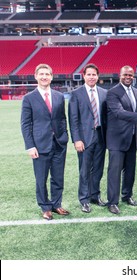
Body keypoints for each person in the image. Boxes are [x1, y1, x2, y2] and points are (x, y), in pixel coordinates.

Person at [21, 64, 70, 220]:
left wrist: (65, 136)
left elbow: (62, 119)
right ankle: (45, 207)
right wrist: (30, 146)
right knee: (41, 178)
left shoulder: (59, 96)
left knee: (58, 177)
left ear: (51, 76)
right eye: (41, 74)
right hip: (40, 145)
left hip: (59, 144)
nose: (44, 77)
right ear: (36, 76)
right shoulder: (29, 98)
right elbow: (26, 124)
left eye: (47, 74)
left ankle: (56, 204)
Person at [105, 65, 137, 214]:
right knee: (115, 171)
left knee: (130, 170)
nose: (128, 77)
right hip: (117, 139)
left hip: (132, 138)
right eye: (125, 74)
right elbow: (119, 113)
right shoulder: (112, 93)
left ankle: (127, 195)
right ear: (120, 75)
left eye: (131, 75)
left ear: (134, 77)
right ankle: (112, 202)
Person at [68, 63, 107, 213]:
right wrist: (77, 139)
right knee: (84, 170)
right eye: (89, 74)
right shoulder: (76, 94)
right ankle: (84, 199)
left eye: (94, 74)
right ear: (84, 76)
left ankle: (95, 196)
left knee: (98, 169)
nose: (91, 77)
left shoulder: (104, 93)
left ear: (98, 76)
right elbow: (74, 119)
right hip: (84, 138)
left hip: (101, 136)